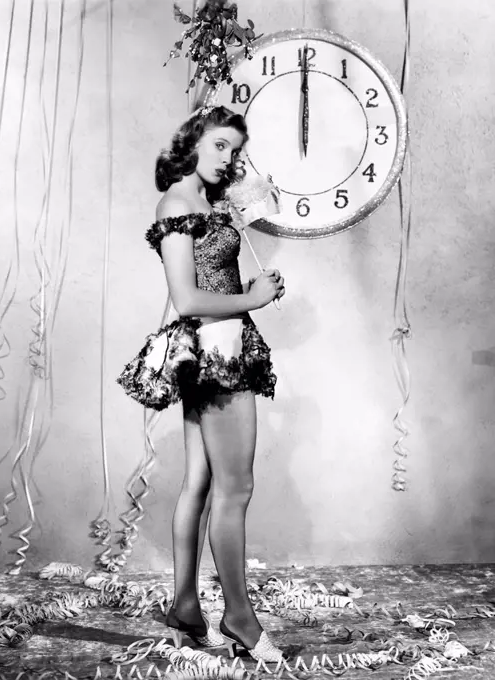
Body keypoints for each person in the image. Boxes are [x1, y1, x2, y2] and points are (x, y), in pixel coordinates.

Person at [119, 105, 285, 662]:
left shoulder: (212, 203)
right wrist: (253, 299)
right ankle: (239, 617)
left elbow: (223, 265)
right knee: (235, 490)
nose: (228, 158)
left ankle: (186, 607)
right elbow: (187, 299)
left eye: (235, 150)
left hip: (227, 344)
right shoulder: (177, 203)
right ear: (192, 141)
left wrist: (247, 243)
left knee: (199, 482)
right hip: (215, 353)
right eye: (219, 145)